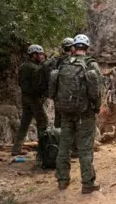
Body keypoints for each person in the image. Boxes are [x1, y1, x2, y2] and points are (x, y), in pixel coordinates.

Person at [55, 34, 102, 193]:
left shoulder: (63, 63)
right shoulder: (91, 65)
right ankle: (87, 183)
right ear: (87, 48)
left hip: (66, 111)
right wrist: (96, 107)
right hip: (84, 113)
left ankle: (62, 180)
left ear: (74, 47)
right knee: (85, 148)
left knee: (64, 146)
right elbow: (96, 91)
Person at [12, 44, 48, 156]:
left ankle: (16, 149)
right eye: (40, 54)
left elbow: (20, 83)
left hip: (25, 97)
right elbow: (38, 85)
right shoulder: (34, 68)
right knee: (43, 121)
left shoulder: (22, 66)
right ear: (34, 55)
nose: (42, 56)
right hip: (34, 99)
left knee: (24, 123)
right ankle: (43, 150)